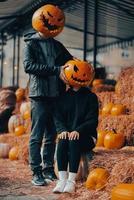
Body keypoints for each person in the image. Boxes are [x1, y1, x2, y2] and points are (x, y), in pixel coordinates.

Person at [23, 4, 73, 186]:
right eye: (50, 19)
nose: (54, 23)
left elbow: (71, 63)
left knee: (51, 135)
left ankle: (48, 170)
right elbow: (28, 66)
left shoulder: (58, 45)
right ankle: (36, 172)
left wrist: (81, 66)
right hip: (40, 96)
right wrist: (55, 69)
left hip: (56, 96)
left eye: (59, 20)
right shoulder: (31, 44)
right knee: (37, 136)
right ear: (40, 20)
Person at [53, 83, 99, 193]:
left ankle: (71, 181)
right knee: (63, 139)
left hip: (87, 136)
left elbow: (93, 120)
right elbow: (58, 117)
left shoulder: (91, 97)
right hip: (68, 136)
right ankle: (62, 180)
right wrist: (62, 129)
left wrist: (79, 130)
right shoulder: (63, 97)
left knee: (73, 139)